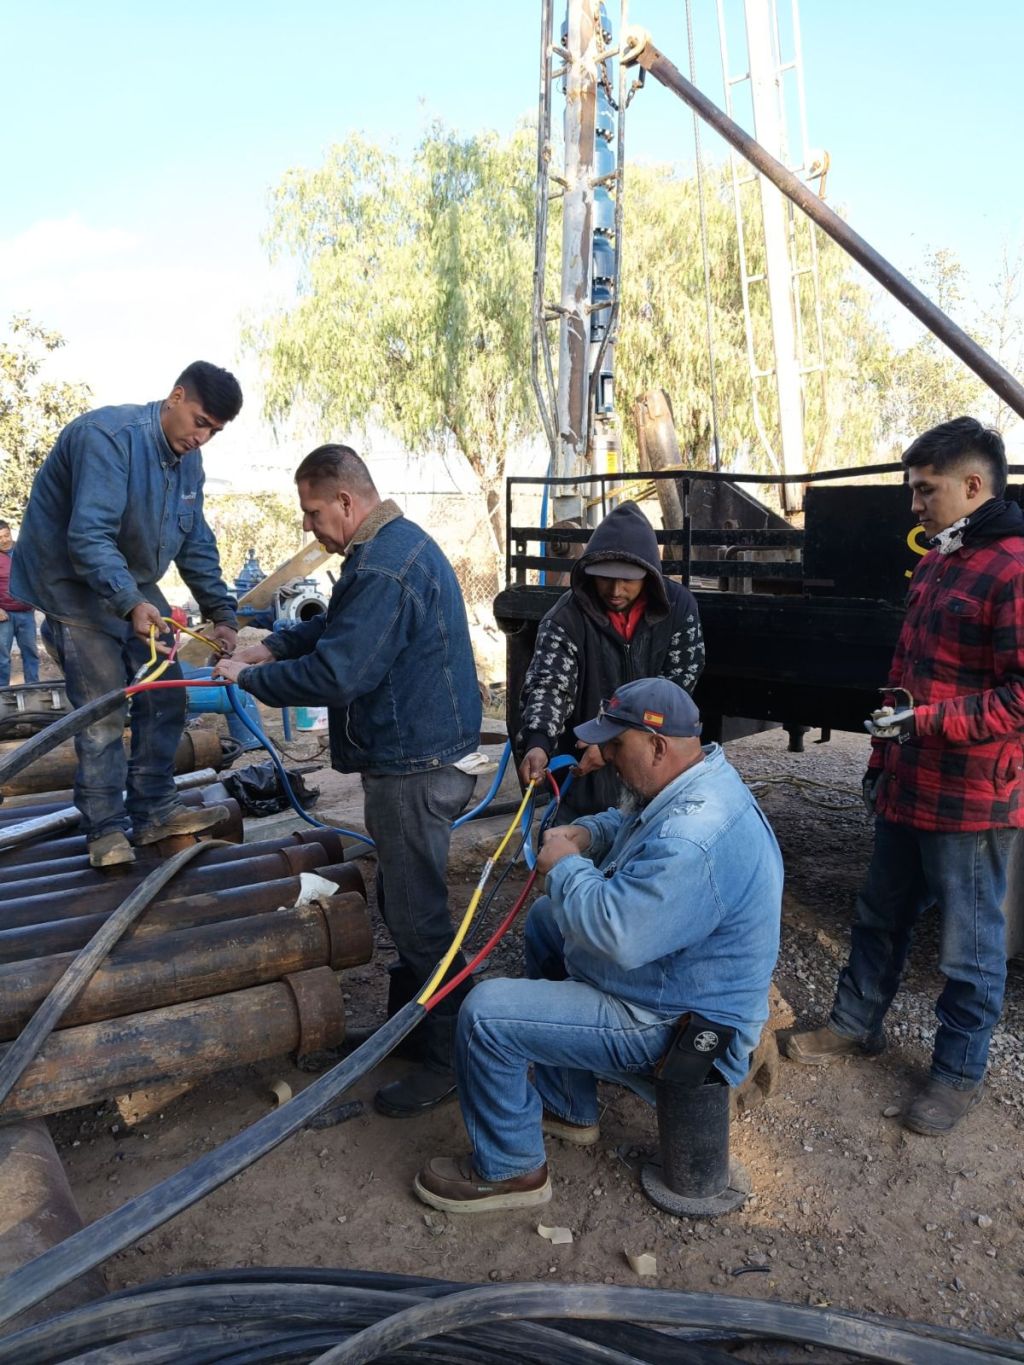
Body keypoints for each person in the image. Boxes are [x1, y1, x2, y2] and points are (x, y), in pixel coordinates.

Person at [414, 677, 782, 1213]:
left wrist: (565, 868)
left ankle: (512, 1170)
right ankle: (568, 1106)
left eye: (616, 744)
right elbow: (631, 822)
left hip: (678, 1022)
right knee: (545, 920)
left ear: (657, 746)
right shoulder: (696, 781)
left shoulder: (695, 839)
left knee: (486, 1016)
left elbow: (618, 933)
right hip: (673, 982)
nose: (604, 756)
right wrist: (584, 835)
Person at [214, 444, 482, 1117]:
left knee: (419, 914)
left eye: (311, 511)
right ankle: (413, 1024)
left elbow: (338, 674)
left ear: (345, 501)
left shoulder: (386, 566)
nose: (308, 526)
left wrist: (248, 678)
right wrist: (268, 644)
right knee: (402, 896)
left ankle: (447, 1056)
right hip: (415, 755)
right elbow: (337, 631)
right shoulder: (385, 551)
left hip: (413, 768)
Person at [785, 416, 1024, 1136]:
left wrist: (926, 724)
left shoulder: (1014, 571)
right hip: (909, 787)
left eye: (927, 490)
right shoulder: (939, 561)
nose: (915, 505)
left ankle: (956, 1075)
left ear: (974, 485)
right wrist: (882, 758)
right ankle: (856, 1023)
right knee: (878, 914)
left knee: (971, 948)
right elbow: (902, 678)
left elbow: (1019, 697)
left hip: (974, 801)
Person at [11, 361, 242, 868]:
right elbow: (88, 538)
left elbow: (195, 540)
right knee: (103, 712)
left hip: (130, 582)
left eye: (215, 431)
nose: (203, 437)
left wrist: (222, 612)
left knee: (165, 693)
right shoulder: (107, 438)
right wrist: (132, 604)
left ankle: (154, 808)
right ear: (176, 397)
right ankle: (105, 830)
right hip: (70, 584)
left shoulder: (189, 464)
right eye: (200, 421)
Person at [516, 500, 704, 817]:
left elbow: (675, 692)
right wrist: (537, 742)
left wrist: (615, 744)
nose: (615, 590)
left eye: (628, 579)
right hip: (582, 773)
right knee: (572, 845)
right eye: (605, 578)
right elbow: (549, 685)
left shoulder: (679, 609)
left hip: (654, 771)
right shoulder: (565, 618)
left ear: (649, 574)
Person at [0, 520, 40, 687]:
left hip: (26, 613)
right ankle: (2, 692)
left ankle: (33, 687)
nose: (4, 540)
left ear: (11, 533)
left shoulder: (23, 551)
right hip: (4, 615)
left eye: (6, 535)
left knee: (31, 653)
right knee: (2, 657)